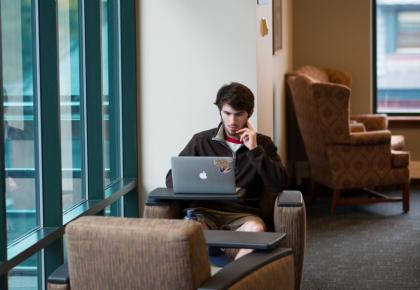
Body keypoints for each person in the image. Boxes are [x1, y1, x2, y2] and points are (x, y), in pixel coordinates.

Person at [166, 82, 288, 260]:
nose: (232, 121)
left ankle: (232, 280)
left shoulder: (263, 144)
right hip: (204, 212)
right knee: (190, 229)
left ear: (249, 113)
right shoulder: (201, 141)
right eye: (227, 113)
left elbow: (279, 184)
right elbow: (171, 180)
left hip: (244, 215)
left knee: (257, 229)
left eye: (239, 114)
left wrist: (255, 151)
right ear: (220, 111)